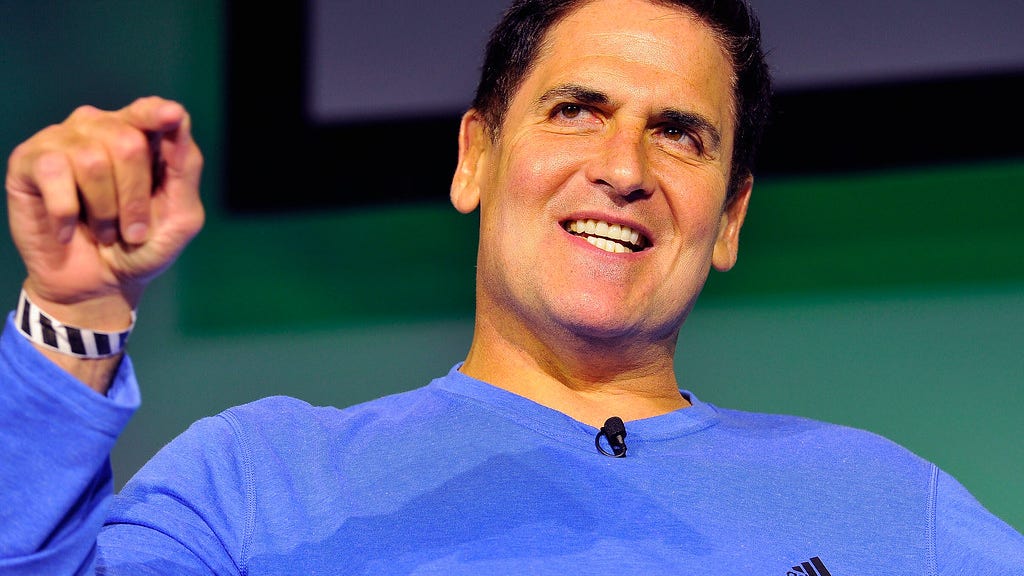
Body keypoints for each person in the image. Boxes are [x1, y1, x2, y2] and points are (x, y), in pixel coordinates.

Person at [1, 0, 1022, 573]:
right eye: (577, 110)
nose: (623, 168)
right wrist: (77, 312)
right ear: (475, 158)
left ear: (730, 219)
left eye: (679, 133)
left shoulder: (895, 509)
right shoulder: (258, 483)